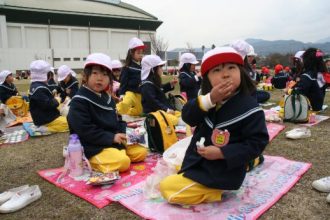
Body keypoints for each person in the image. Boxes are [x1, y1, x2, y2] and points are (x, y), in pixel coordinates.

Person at [159, 47, 269, 205]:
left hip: (222, 173)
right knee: (176, 168)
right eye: (217, 70)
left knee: (167, 187)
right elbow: (188, 117)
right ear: (208, 79)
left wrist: (222, 152)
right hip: (198, 161)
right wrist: (209, 99)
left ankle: (215, 190)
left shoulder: (250, 108)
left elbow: (257, 143)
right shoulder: (207, 100)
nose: (225, 74)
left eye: (231, 67)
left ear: (241, 72)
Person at [67, 53, 147, 173]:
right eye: (95, 73)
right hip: (92, 145)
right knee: (123, 162)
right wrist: (111, 137)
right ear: (85, 76)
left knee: (141, 152)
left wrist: (127, 132)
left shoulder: (107, 98)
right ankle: (89, 160)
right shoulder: (79, 101)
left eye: (105, 74)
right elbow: (85, 130)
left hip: (112, 140)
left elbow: (117, 120)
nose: (100, 78)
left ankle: (117, 153)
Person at [29, 60, 69, 132]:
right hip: (46, 118)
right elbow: (48, 104)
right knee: (70, 122)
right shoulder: (40, 88)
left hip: (41, 116)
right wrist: (57, 100)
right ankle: (46, 128)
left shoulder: (35, 85)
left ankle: (45, 125)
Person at [140, 55, 179, 124]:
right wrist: (167, 110)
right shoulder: (146, 84)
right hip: (154, 115)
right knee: (176, 120)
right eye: (160, 67)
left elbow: (160, 89)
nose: (162, 69)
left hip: (161, 112)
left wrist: (171, 84)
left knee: (180, 114)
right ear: (152, 69)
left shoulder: (152, 81)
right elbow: (153, 102)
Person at [117, 37, 145, 116]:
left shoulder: (142, 67)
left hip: (139, 95)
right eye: (138, 53)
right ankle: (113, 113)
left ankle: (126, 114)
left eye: (142, 53)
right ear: (131, 53)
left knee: (139, 111)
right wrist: (122, 95)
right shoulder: (127, 67)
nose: (141, 55)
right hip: (130, 93)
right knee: (126, 103)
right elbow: (123, 82)